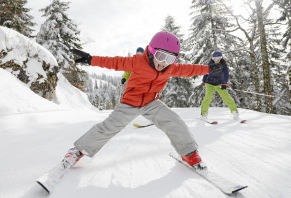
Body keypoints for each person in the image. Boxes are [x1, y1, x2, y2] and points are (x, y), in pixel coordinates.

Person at [64, 31, 215, 172]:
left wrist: (209, 69)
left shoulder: (169, 69)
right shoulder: (138, 61)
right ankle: (78, 151)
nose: (164, 62)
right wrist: (91, 60)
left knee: (174, 121)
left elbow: (190, 69)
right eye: (161, 56)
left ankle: (189, 153)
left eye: (170, 59)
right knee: (108, 127)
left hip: (151, 103)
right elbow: (114, 62)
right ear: (151, 51)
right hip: (129, 103)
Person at [201, 51, 239, 120]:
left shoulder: (223, 65)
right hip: (210, 83)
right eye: (214, 58)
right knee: (208, 97)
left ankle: (234, 112)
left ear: (221, 58)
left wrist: (224, 83)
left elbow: (226, 74)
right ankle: (204, 113)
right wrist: (204, 80)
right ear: (212, 59)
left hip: (220, 83)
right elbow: (206, 73)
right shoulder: (210, 64)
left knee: (226, 97)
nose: (216, 60)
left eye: (218, 58)